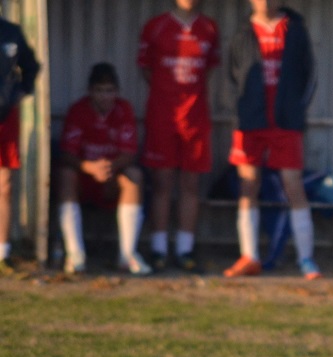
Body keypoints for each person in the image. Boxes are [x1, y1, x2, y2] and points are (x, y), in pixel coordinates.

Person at [224, 0, 319, 279]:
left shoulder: (295, 29)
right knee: (248, 185)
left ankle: (306, 260)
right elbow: (233, 75)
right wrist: (243, 109)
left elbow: (309, 74)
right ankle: (249, 256)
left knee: (293, 186)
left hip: (285, 121)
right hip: (250, 121)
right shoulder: (243, 31)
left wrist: (296, 109)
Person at [138, 0, 220, 273]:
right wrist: (168, 93)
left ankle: (185, 249)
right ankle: (159, 249)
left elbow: (208, 70)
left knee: (191, 184)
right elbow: (146, 69)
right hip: (162, 116)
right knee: (162, 183)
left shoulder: (209, 28)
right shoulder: (156, 26)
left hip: (196, 118)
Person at [56, 63, 150, 276]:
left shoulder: (123, 109)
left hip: (110, 179)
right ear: (90, 91)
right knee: (65, 175)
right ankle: (75, 254)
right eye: (99, 91)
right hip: (84, 179)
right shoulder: (78, 111)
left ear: (116, 91)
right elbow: (67, 153)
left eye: (109, 91)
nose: (105, 97)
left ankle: (127, 255)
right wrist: (88, 167)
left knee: (134, 176)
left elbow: (129, 152)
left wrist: (109, 167)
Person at [0, 13, 39, 276]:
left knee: (4, 185)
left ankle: (2, 253)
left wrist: (19, 92)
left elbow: (31, 67)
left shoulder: (11, 32)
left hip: (5, 117)